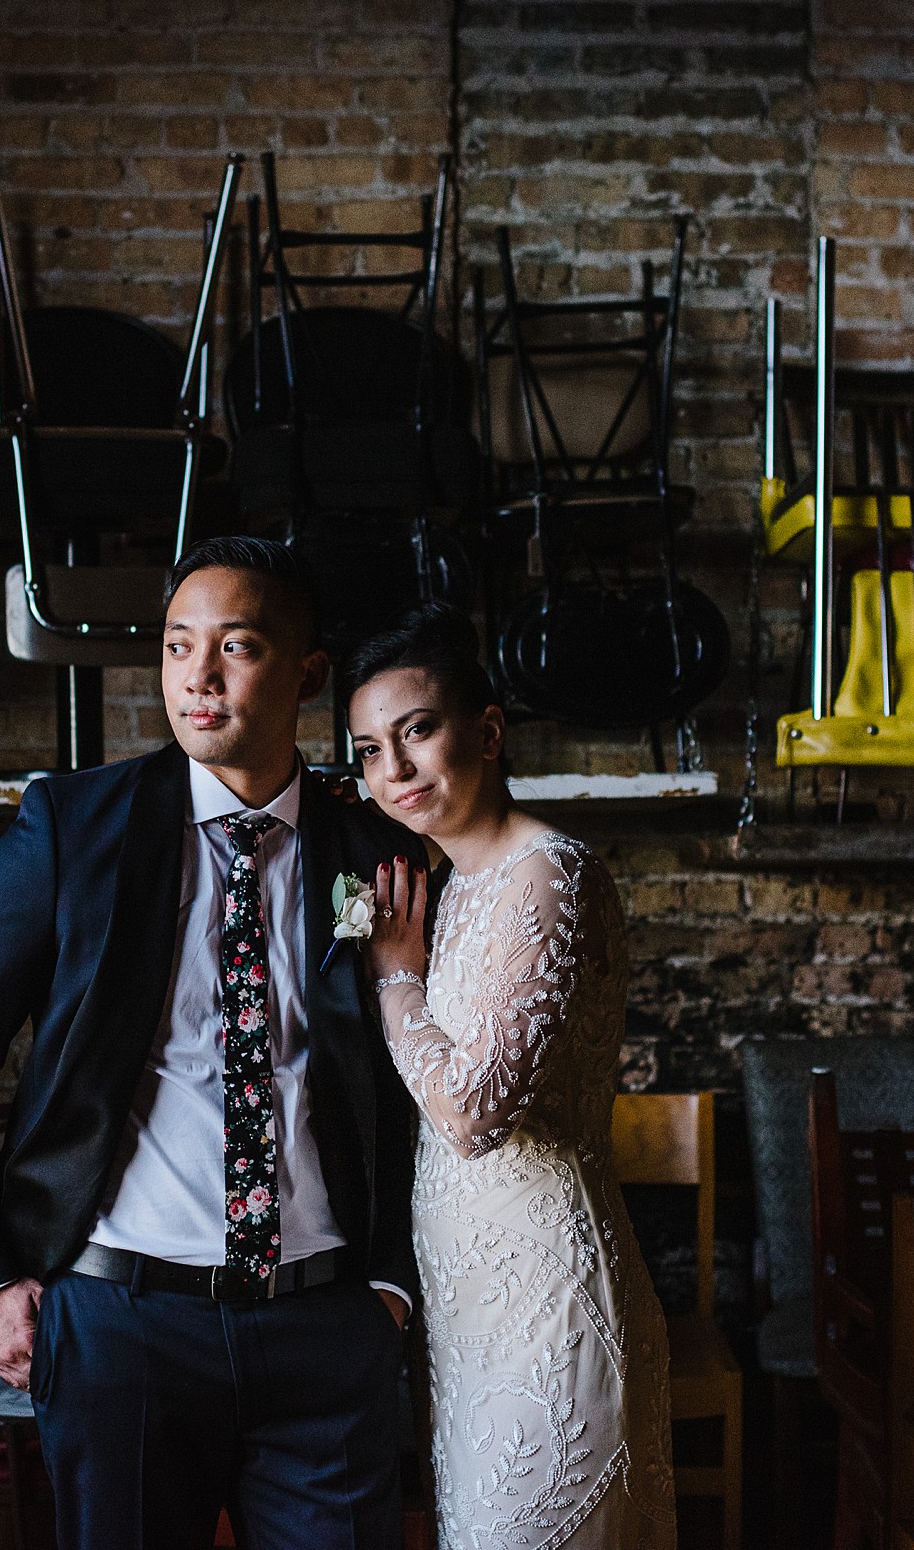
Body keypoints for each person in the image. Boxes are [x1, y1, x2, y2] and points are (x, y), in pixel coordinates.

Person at [0, 536, 424, 1550]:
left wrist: (388, 1286)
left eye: (237, 646)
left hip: (327, 1327)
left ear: (308, 674)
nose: (200, 677)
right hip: (121, 1324)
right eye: (179, 647)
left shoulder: (371, 852)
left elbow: (401, 1080)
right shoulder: (71, 828)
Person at [344, 603, 676, 1550]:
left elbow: (471, 1111)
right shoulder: (451, 887)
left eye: (416, 731)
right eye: (369, 750)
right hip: (468, 1315)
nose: (394, 770)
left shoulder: (549, 874)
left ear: (487, 731)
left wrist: (397, 979)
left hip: (549, 1306)